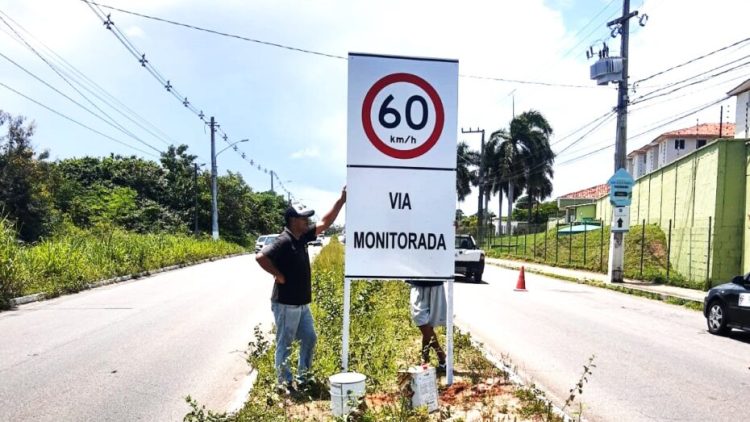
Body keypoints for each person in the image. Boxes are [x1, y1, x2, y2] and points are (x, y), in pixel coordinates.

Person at [255, 187, 346, 390]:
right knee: (285, 343)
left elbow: (325, 223)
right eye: (303, 218)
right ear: (292, 221)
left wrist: (341, 200)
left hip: (301, 304)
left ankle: (303, 377)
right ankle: (284, 382)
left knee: (309, 338)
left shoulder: (301, 237)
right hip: (286, 304)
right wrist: (278, 275)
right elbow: (261, 257)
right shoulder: (284, 240)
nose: (307, 221)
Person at [406, 279, 447, 372]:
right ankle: (441, 355)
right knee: (420, 319)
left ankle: (424, 360)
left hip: (436, 281)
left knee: (428, 325)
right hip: (418, 281)